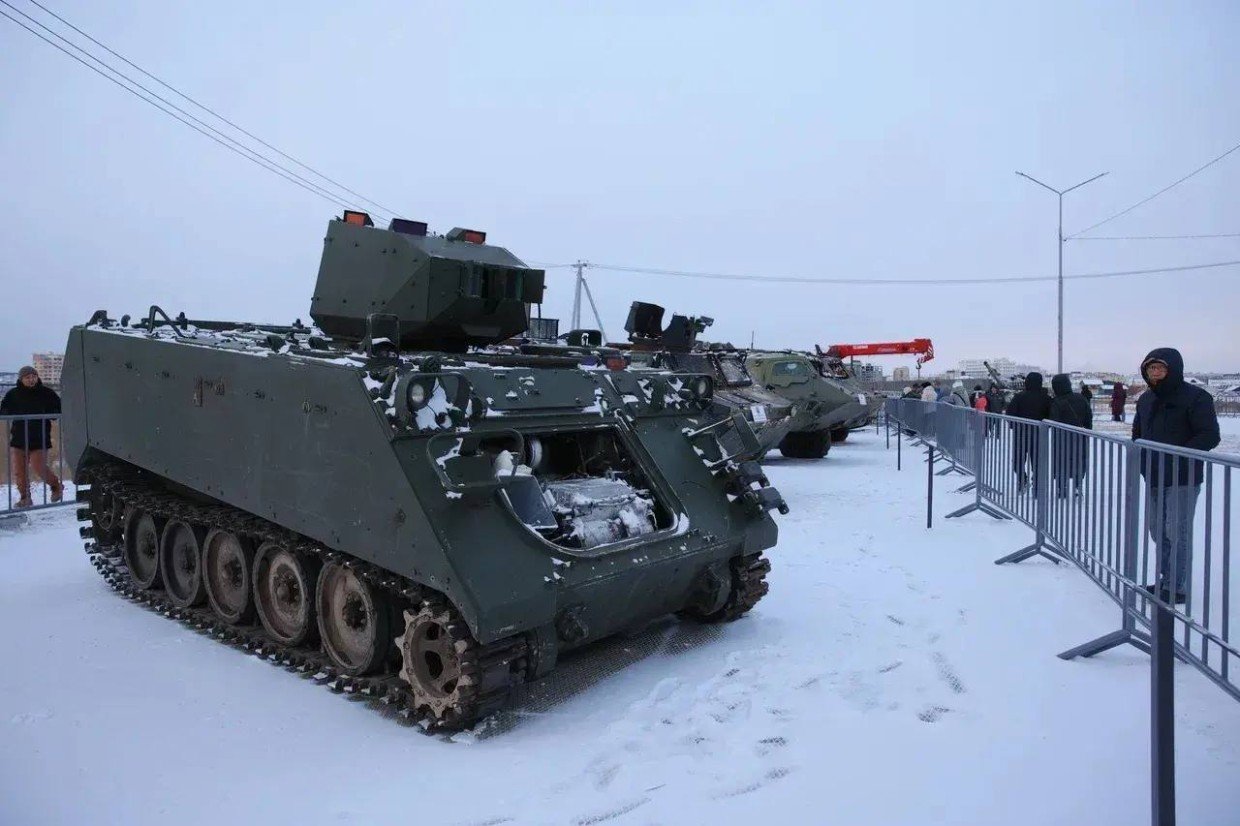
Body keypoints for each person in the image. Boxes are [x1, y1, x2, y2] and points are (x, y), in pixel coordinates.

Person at [1133, 348, 1220, 604]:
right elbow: (1138, 432)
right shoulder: (1146, 399)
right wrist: (1142, 457)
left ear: (1173, 369)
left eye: (1160, 368)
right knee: (1157, 530)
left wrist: (1177, 455)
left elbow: (1209, 435)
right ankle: (1165, 579)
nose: (1155, 373)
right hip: (1154, 475)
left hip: (1183, 476)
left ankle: (1176, 586)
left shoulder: (1196, 398)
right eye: (1150, 368)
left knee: (1176, 531)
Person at [1, 366, 64, 508]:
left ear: (37, 377)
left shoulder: (46, 393)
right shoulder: (13, 394)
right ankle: (25, 498)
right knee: (19, 471)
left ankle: (56, 487)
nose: (31, 380)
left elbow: (57, 409)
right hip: (19, 438)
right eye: (27, 377)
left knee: (39, 467)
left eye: (33, 377)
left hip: (39, 438)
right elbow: (4, 409)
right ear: (21, 379)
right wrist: (6, 412)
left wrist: (53, 412)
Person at [1048, 373, 1093, 498]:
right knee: (1079, 460)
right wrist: (1087, 430)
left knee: (1061, 461)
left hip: (1061, 438)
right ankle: (1078, 485)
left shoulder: (1057, 401)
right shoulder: (1081, 398)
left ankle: (1061, 488)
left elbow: (1053, 420)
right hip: (1080, 436)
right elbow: (1089, 416)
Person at [1005, 372, 1051, 492]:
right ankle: (1036, 485)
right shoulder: (1046, 398)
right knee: (1038, 462)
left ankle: (1022, 479)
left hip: (1021, 434)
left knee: (1018, 460)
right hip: (1039, 434)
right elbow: (1051, 416)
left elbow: (1010, 413)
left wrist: (1013, 426)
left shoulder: (1019, 397)